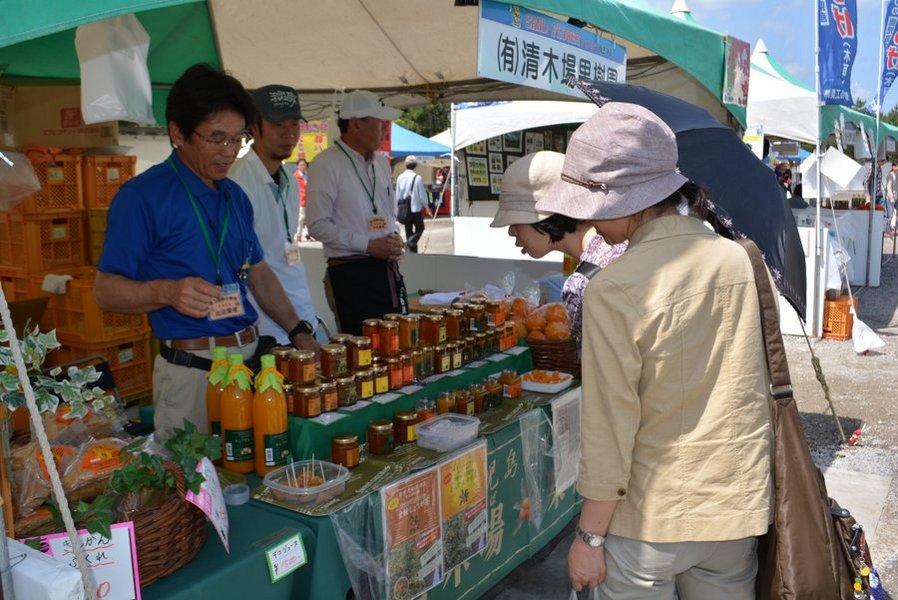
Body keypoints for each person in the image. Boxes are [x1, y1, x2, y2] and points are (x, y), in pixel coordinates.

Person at [535, 103, 772, 599]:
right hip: (734, 510)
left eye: (592, 203)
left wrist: (589, 537)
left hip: (649, 518)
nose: (588, 220)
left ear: (627, 200)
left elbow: (609, 426)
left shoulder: (613, 288)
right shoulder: (739, 260)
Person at [94, 64, 317, 438]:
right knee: (193, 473)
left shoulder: (234, 195)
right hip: (193, 371)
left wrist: (299, 331)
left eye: (236, 139)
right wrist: (167, 292)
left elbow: (258, 273)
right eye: (216, 139)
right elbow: (105, 291)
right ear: (178, 133)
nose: (228, 152)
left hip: (249, 366)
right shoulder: (142, 197)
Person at [489, 151, 626, 351]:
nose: (511, 231)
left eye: (515, 221)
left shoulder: (582, 283)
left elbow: (596, 362)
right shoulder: (618, 246)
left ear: (548, 216)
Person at [229, 84, 324, 348]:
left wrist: (304, 324)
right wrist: (296, 331)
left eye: (294, 124)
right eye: (277, 125)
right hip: (267, 330)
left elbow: (282, 249)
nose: (288, 133)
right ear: (254, 126)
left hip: (301, 320)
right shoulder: (237, 183)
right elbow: (250, 271)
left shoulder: (289, 180)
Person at [305, 89, 406, 335]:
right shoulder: (326, 163)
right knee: (361, 348)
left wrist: (395, 238)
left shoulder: (381, 163)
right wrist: (367, 245)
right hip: (350, 273)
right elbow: (317, 224)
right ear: (356, 123)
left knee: (394, 344)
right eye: (379, 122)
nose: (385, 129)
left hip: (386, 270)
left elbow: (388, 214)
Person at [395, 155, 432, 253]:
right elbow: (422, 195)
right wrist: (427, 207)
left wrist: (398, 208)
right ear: (415, 165)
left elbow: (397, 195)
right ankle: (408, 243)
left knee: (409, 231)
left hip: (404, 208)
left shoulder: (400, 177)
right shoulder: (417, 178)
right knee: (420, 228)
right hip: (415, 208)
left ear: (405, 165)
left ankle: (411, 253)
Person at [294, 157, 309, 240]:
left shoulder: (307, 175)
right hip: (301, 200)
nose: (303, 166)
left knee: (308, 218)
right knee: (301, 218)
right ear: (297, 166)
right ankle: (298, 234)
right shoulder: (295, 176)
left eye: (304, 165)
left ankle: (307, 234)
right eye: (301, 165)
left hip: (308, 200)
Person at [887, 161, 898, 236]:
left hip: (896, 197)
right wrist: (891, 197)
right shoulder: (890, 175)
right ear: (893, 167)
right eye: (896, 166)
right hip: (891, 198)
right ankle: (890, 229)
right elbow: (889, 187)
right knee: (891, 213)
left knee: (895, 213)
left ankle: (895, 229)